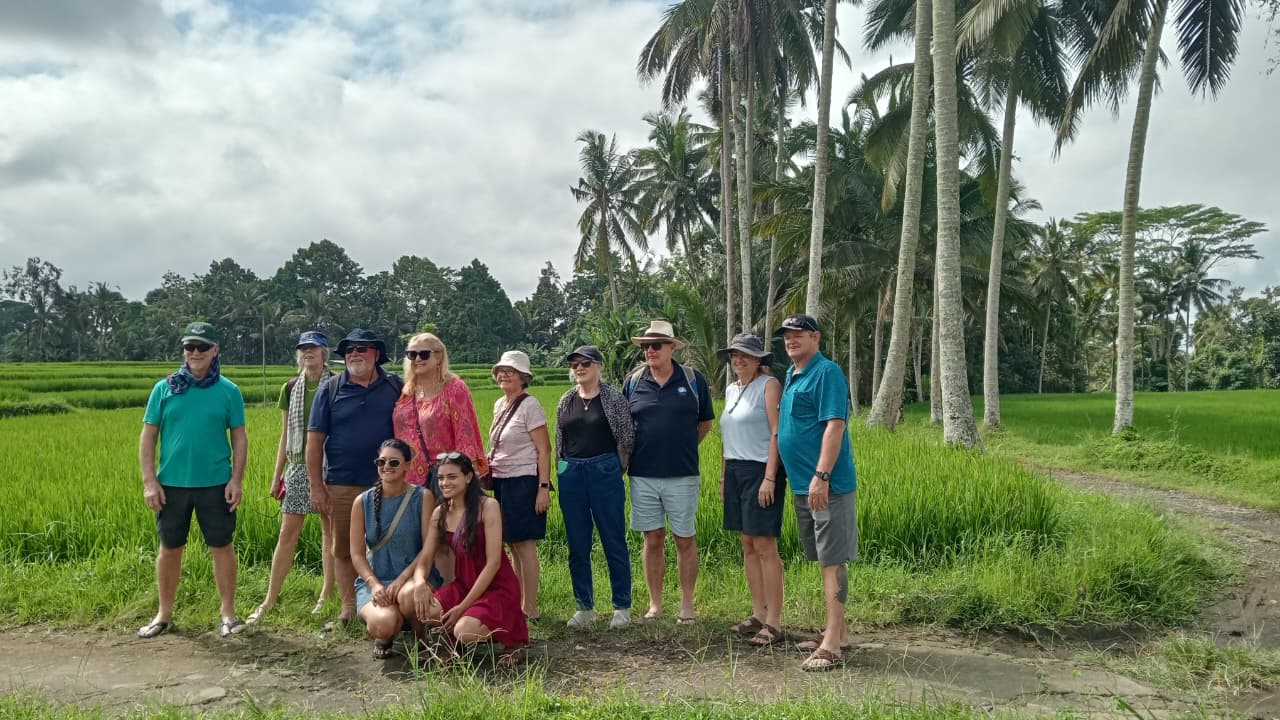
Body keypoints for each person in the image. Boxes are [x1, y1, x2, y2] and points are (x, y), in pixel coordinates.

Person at [136, 321, 248, 639]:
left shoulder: (229, 391)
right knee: (169, 548)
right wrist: (150, 481)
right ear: (184, 351)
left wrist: (236, 480)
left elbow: (240, 439)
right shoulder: (165, 388)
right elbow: (148, 437)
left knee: (221, 546)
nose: (195, 353)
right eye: (189, 347)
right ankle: (164, 614)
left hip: (215, 484)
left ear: (215, 350)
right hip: (171, 485)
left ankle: (228, 614)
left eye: (202, 347)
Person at [772, 314, 858, 672]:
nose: (791, 340)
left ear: (815, 337)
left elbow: (834, 425)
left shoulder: (827, 373)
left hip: (827, 486)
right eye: (787, 336)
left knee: (831, 561)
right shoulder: (792, 375)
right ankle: (838, 633)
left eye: (798, 334)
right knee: (822, 557)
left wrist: (821, 474)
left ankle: (831, 646)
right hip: (802, 486)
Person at [308, 328, 404, 632]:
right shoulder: (331, 389)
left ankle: (396, 602)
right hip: (342, 482)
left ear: (377, 354)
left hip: (388, 483)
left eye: (363, 349)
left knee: (394, 544)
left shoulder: (395, 386)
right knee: (344, 547)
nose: (355, 354)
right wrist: (316, 486)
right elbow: (314, 441)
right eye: (349, 349)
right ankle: (348, 608)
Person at [622, 319, 714, 625]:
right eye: (646, 346)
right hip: (642, 475)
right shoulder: (634, 381)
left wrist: (680, 446)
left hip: (683, 475)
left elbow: (705, 424)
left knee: (684, 538)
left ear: (672, 348)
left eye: (657, 345)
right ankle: (655, 604)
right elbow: (624, 426)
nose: (650, 351)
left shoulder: (692, 379)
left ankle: (687, 605)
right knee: (652, 539)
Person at [247, 331, 336, 625]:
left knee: (330, 533)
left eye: (314, 348)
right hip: (297, 466)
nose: (308, 353)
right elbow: (285, 434)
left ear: (325, 353)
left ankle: (326, 596)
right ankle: (270, 598)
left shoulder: (337, 384)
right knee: (288, 533)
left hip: (330, 465)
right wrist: (277, 476)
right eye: (303, 349)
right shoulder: (291, 387)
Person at [412, 452, 528, 665]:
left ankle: (512, 640)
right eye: (441, 478)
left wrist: (463, 606)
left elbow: (493, 563)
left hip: (495, 587)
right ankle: (452, 642)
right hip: (464, 584)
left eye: (452, 477)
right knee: (425, 609)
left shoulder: (488, 506)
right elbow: (425, 557)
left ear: (468, 477)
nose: (445, 483)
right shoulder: (440, 512)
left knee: (464, 630)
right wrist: (419, 583)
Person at [555, 345, 634, 630]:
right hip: (572, 472)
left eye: (585, 363)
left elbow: (626, 437)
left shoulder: (613, 398)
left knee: (613, 540)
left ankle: (622, 607)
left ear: (598, 366)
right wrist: (561, 468)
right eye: (575, 364)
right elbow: (559, 441)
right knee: (577, 544)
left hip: (604, 470)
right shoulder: (566, 400)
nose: (579, 368)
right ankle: (584, 607)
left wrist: (616, 467)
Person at [717, 333, 785, 647]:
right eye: (734, 355)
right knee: (746, 543)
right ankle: (758, 612)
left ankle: (774, 622)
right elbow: (726, 438)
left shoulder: (768, 386)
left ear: (759, 360)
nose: (739, 360)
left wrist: (769, 478)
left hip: (761, 468)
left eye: (745, 355)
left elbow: (776, 433)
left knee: (764, 545)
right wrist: (722, 478)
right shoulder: (731, 389)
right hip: (735, 470)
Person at [350, 439, 434, 659]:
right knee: (384, 624)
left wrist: (403, 579)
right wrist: (374, 584)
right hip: (376, 580)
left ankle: (419, 633)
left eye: (394, 462)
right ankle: (387, 633)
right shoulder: (362, 502)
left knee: (409, 595)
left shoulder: (422, 497)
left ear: (407, 465)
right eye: (381, 462)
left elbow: (428, 548)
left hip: (413, 577)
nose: (386, 467)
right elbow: (357, 554)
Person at [488, 350, 552, 621]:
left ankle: (531, 607)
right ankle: (518, 603)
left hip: (524, 481)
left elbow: (544, 449)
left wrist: (543, 487)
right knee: (512, 543)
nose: (504, 375)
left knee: (525, 545)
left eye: (510, 371)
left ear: (523, 377)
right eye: (501, 370)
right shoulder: (499, 405)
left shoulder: (530, 405)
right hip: (502, 480)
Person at [393, 332, 487, 492]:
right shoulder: (406, 392)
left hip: (443, 478)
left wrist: (466, 475)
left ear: (438, 357)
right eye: (412, 354)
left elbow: (465, 434)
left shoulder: (454, 388)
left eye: (423, 354)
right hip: (407, 479)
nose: (417, 359)